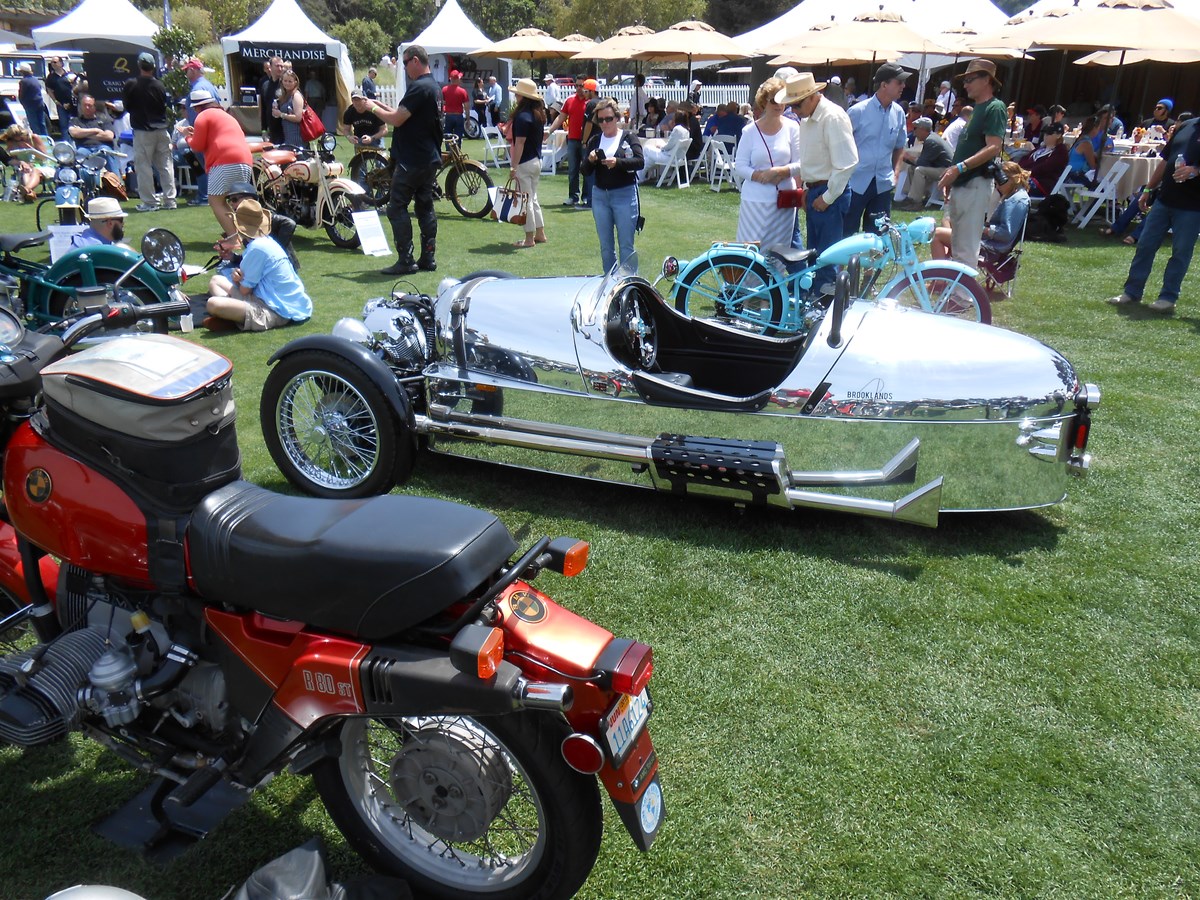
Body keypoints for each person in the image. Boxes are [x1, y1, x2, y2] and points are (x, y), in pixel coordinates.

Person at [1106, 116, 1200, 314]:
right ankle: (1132, 292)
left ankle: (1168, 297)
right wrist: (1148, 189)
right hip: (1164, 199)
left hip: (1192, 207)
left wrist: (1196, 170)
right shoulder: (1187, 126)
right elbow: (1166, 160)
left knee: (1180, 252)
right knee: (1145, 245)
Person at [364, 45, 442, 275]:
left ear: (415, 60)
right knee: (425, 206)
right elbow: (406, 114)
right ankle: (428, 257)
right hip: (428, 157)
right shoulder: (433, 87)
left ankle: (406, 260)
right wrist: (379, 105)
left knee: (396, 207)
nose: (405, 68)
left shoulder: (419, 87)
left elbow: (397, 119)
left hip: (413, 158)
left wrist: (372, 109)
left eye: (405, 63)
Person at [937, 59, 1006, 268]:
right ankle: (957, 286)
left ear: (986, 80)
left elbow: (994, 147)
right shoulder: (978, 108)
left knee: (966, 248)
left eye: (970, 80)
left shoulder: (995, 107)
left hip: (975, 183)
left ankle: (963, 289)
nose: (965, 85)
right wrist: (953, 176)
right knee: (958, 244)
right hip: (963, 184)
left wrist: (959, 168)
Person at [790, 72, 857, 287]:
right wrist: (806, 189)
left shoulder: (833, 117)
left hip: (830, 193)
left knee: (827, 260)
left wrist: (828, 197)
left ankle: (824, 302)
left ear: (813, 96)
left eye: (797, 105)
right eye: (791, 105)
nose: (794, 110)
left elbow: (847, 163)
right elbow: (811, 159)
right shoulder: (808, 118)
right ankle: (817, 299)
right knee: (816, 258)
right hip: (815, 191)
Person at [205, 200, 311, 332]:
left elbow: (244, 290)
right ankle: (234, 316)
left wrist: (237, 279)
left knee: (213, 304)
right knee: (215, 280)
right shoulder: (265, 241)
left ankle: (234, 317)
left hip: (277, 310)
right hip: (278, 301)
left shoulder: (256, 248)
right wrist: (234, 263)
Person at [734, 78, 803, 248]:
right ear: (764, 102)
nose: (779, 105)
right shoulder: (749, 131)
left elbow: (801, 163)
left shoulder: (793, 127)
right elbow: (740, 165)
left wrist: (781, 172)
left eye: (783, 100)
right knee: (749, 250)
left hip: (783, 202)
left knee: (778, 253)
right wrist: (760, 176)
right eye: (774, 100)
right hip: (754, 201)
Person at [581, 97, 644, 272]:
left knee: (626, 246)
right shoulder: (595, 140)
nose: (604, 123)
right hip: (600, 196)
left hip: (624, 194)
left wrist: (618, 162)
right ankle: (609, 281)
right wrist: (590, 160)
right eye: (601, 120)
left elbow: (640, 162)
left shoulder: (628, 137)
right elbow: (584, 171)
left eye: (608, 119)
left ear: (617, 118)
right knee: (606, 247)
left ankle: (629, 282)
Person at [845, 62, 909, 234]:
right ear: (884, 85)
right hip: (855, 181)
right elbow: (841, 145)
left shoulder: (899, 113)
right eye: (899, 82)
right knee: (846, 233)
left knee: (879, 236)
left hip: (883, 183)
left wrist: (896, 173)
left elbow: (899, 146)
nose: (903, 86)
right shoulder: (857, 111)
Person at [183, 90, 255, 237]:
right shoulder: (227, 116)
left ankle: (234, 238)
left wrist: (187, 137)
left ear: (197, 107)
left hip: (223, 162)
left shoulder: (203, 116)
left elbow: (197, 146)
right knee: (236, 201)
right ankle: (244, 235)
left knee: (216, 201)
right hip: (245, 160)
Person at [932, 161, 1029, 263]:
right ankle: (947, 262)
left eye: (998, 183)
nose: (997, 187)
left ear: (1011, 179)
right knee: (948, 220)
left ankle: (942, 271)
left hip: (990, 249)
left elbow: (1005, 234)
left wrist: (980, 228)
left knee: (937, 234)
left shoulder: (1017, 201)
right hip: (986, 241)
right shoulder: (1013, 196)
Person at [123, 51, 177, 212]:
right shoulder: (160, 85)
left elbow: (127, 106)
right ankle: (170, 200)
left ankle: (150, 202)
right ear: (153, 67)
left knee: (143, 167)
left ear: (139, 66)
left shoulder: (131, 84)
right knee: (166, 165)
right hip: (161, 129)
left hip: (143, 130)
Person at [224, 180, 300, 271]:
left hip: (282, 266)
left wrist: (276, 250)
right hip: (267, 266)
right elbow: (255, 255)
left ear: (250, 199)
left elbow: (289, 223)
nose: (231, 203)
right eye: (229, 201)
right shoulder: (244, 220)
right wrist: (233, 257)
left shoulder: (262, 217)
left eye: (234, 199)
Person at [508, 79, 547, 249]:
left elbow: (519, 143)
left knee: (526, 200)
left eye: (517, 94)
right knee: (533, 198)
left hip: (525, 162)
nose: (516, 96)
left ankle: (529, 238)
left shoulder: (522, 116)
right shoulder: (537, 115)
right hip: (536, 160)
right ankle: (540, 233)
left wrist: (513, 166)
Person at [548, 80, 593, 206]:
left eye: (581, 86)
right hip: (572, 139)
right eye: (576, 85)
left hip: (586, 141)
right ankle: (573, 196)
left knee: (586, 169)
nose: (578, 88)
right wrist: (550, 130)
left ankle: (586, 196)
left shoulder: (590, 102)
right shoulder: (570, 100)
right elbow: (561, 117)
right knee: (573, 169)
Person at [181, 57, 218, 205]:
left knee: (200, 164)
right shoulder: (209, 85)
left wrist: (193, 134)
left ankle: (205, 196)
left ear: (192, 70)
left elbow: (198, 115)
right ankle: (211, 195)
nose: (186, 74)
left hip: (203, 132)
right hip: (212, 131)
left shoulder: (198, 89)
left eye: (187, 71)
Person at [896, 116, 952, 209]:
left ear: (922, 129)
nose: (914, 132)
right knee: (912, 169)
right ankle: (909, 196)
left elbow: (922, 163)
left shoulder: (931, 140)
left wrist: (907, 157)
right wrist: (906, 158)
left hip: (947, 170)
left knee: (919, 170)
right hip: (942, 168)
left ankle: (916, 201)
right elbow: (924, 161)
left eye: (916, 129)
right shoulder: (931, 138)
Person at [68, 94, 116, 173]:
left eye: (89, 105)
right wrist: (96, 130)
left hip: (102, 147)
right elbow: (74, 133)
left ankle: (116, 178)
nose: (87, 108)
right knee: (80, 153)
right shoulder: (75, 121)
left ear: (94, 107)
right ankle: (84, 179)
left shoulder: (104, 120)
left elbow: (109, 136)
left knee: (106, 151)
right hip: (84, 148)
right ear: (81, 106)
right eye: (85, 105)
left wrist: (83, 133)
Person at [0, 124, 50, 201]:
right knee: (25, 170)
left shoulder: (34, 138)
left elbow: (44, 157)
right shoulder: (11, 142)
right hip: (26, 167)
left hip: (42, 166)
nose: (19, 141)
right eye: (16, 139)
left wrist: (30, 149)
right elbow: (12, 159)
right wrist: (22, 163)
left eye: (21, 138)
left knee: (35, 170)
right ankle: (29, 193)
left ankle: (27, 190)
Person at [1020, 121, 1069, 196]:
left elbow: (1046, 167)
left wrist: (1026, 171)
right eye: (1045, 133)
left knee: (1009, 183)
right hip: (1027, 177)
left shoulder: (1061, 152)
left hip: (1042, 184)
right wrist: (1019, 169)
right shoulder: (1041, 148)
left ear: (1058, 135)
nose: (1045, 135)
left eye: (1049, 133)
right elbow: (1024, 159)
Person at [641, 110, 690, 182]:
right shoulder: (686, 131)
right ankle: (641, 177)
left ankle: (641, 177)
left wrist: (661, 147)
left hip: (670, 158)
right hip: (678, 158)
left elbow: (669, 146)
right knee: (648, 159)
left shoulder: (677, 129)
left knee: (646, 148)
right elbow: (673, 144)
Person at [1066, 114, 1107, 187]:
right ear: (1094, 128)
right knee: (1102, 186)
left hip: (1069, 174)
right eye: (1098, 128)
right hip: (1075, 176)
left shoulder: (1081, 139)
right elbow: (1093, 166)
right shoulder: (1086, 143)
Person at [45, 57, 76, 139]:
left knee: (74, 124)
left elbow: (75, 88)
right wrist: (55, 101)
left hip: (73, 104)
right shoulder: (51, 77)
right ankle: (66, 143)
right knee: (64, 125)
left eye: (55, 62)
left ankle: (75, 141)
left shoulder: (69, 75)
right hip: (61, 105)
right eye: (52, 62)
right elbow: (49, 90)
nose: (53, 64)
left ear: (61, 63)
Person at [274, 70, 307, 146]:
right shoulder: (286, 95)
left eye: (290, 81)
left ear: (295, 82)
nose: (287, 83)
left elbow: (298, 118)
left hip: (296, 137)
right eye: (285, 81)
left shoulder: (296, 96)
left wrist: (281, 114)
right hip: (288, 136)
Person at [260, 56, 286, 144]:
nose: (280, 68)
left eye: (281, 66)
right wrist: (264, 130)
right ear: (270, 67)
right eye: (277, 66)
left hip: (285, 129)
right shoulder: (265, 85)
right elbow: (263, 109)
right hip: (272, 130)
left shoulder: (286, 85)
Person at [17, 62, 46, 137]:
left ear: (22, 72)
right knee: (42, 123)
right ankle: (45, 138)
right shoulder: (35, 79)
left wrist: (23, 103)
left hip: (30, 105)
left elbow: (22, 94)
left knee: (34, 124)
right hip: (40, 103)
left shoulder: (23, 81)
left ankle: (37, 139)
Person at [442, 69, 469, 144]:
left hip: (448, 115)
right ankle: (457, 150)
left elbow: (441, 103)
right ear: (458, 79)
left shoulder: (444, 90)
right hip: (458, 116)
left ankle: (449, 150)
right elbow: (466, 107)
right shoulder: (462, 91)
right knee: (458, 137)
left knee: (448, 137)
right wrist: (468, 119)